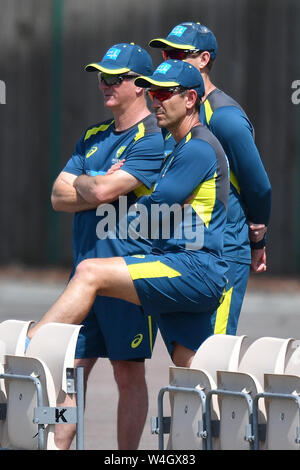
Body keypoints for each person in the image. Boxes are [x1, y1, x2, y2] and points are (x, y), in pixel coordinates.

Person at [28, 59, 229, 373]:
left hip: (192, 268)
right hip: (185, 266)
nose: (155, 102)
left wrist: (83, 182)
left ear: (190, 99)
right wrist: (106, 189)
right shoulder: (179, 147)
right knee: (191, 367)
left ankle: (28, 351)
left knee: (90, 272)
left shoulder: (197, 149)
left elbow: (150, 217)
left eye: (164, 95)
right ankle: (239, 414)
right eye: (152, 94)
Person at [50, 43, 165, 450]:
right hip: (84, 275)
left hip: (127, 277)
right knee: (69, 372)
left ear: (140, 85)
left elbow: (92, 190)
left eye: (114, 78)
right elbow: (57, 196)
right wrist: (95, 184)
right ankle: (54, 446)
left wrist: (88, 184)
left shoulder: (153, 139)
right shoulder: (93, 135)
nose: (104, 85)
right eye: (101, 77)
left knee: (127, 373)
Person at [149, 22, 272, 336]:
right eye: (166, 52)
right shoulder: (171, 110)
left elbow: (258, 185)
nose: (168, 59)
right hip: (183, 249)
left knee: (213, 355)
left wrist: (258, 239)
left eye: (178, 53)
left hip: (224, 249)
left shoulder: (225, 118)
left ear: (204, 59)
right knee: (185, 355)